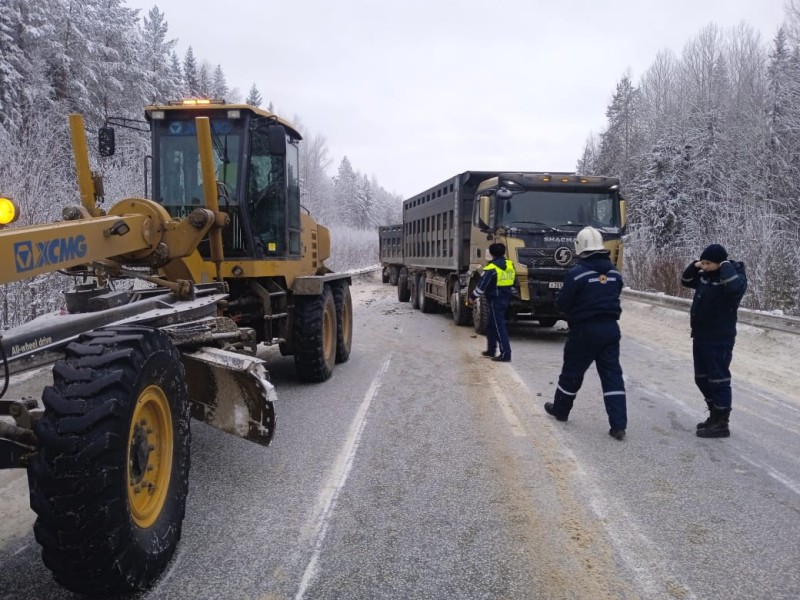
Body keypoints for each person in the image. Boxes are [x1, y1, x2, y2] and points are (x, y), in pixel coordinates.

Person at [543, 227, 627, 441]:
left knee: (572, 371)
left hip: (584, 330)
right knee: (612, 376)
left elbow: (562, 304)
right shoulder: (616, 274)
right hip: (610, 330)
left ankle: (561, 410)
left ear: (580, 248)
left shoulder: (577, 274)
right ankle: (618, 425)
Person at [680, 244, 747, 438]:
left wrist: (725, 264)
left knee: (718, 379)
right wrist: (696, 265)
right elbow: (686, 280)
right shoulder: (705, 277)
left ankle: (722, 422)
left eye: (708, 263)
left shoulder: (734, 279)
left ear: (721, 263)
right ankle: (714, 414)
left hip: (720, 338)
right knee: (701, 378)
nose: (705, 267)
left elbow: (734, 287)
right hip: (701, 336)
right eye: (704, 263)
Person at [470, 242, 515, 362]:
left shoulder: (491, 268)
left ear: (491, 253)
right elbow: (515, 282)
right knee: (491, 325)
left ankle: (506, 354)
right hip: (505, 298)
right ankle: (491, 349)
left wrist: (472, 297)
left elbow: (482, 286)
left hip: (495, 299)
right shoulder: (510, 265)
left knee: (499, 326)